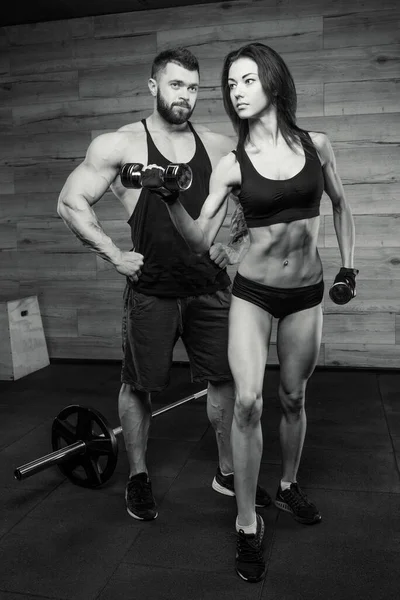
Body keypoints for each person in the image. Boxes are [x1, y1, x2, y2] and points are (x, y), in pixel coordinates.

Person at [146, 43, 357, 582]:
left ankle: (286, 487)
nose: (235, 92)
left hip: (307, 294)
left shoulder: (318, 146)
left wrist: (348, 268)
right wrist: (172, 198)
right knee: (245, 401)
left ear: (272, 82)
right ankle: (245, 524)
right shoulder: (231, 165)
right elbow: (199, 242)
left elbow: (340, 205)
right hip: (254, 296)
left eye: (245, 81)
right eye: (230, 85)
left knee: (293, 396)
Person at [57, 47, 271, 523]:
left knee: (226, 380)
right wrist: (113, 253)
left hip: (210, 290)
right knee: (138, 387)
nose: (185, 96)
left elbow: (252, 200)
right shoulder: (120, 145)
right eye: (176, 85)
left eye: (193, 88)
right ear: (154, 86)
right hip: (151, 291)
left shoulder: (217, 145)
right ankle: (138, 476)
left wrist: (232, 246)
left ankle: (228, 472)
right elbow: (71, 201)